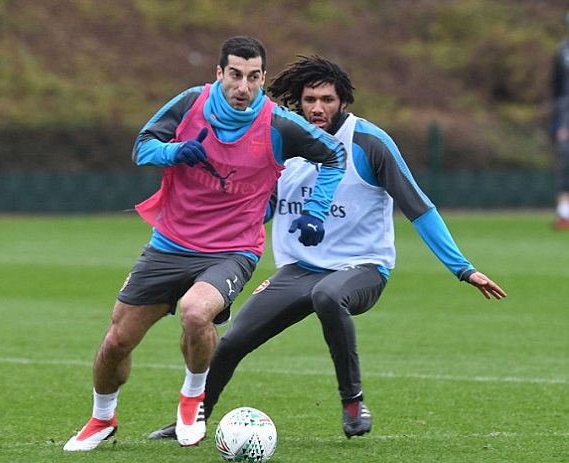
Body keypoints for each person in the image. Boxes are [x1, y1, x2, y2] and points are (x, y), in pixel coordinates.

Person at [148, 55, 507, 440]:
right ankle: (193, 420)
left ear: (343, 102)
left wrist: (463, 268)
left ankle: (353, 401)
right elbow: (260, 207)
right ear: (298, 102)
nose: (317, 108)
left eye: (327, 99)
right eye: (310, 99)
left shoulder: (369, 143)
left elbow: (419, 207)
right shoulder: (283, 141)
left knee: (328, 295)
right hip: (299, 271)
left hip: (363, 268)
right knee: (233, 340)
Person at [63, 38, 347, 451]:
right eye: (235, 75)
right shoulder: (190, 104)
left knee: (196, 313)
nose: (243, 87)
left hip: (232, 250)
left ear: (263, 78)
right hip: (169, 244)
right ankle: (102, 418)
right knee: (116, 342)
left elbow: (335, 155)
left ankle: (192, 400)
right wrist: (178, 152)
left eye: (253, 77)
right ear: (219, 74)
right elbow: (143, 148)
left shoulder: (278, 124)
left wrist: (315, 213)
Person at [551, 11, 569, 229]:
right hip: (566, 115)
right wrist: (557, 122)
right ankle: (564, 213)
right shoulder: (563, 51)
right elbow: (556, 88)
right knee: (566, 164)